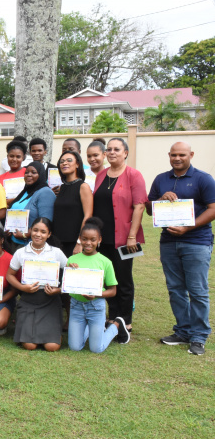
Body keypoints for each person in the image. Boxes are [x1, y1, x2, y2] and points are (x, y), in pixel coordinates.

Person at [147, 142, 215, 356]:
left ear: (191, 155)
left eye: (182, 155)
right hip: (168, 241)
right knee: (175, 289)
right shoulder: (161, 179)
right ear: (169, 155)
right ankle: (183, 331)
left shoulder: (203, 179)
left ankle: (198, 336)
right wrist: (160, 198)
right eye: (173, 154)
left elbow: (213, 209)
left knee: (197, 290)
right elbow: (149, 209)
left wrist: (188, 227)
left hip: (196, 241)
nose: (177, 158)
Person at [93, 137, 147, 342]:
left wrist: (132, 236)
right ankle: (112, 316)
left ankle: (125, 319)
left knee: (123, 278)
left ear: (125, 153)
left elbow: (139, 206)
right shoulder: (101, 175)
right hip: (103, 238)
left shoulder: (134, 175)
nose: (112, 152)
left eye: (117, 149)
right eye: (109, 149)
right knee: (108, 278)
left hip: (125, 239)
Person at [66, 217, 129, 353]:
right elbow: (68, 285)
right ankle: (90, 328)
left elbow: (112, 291)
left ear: (99, 240)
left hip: (96, 307)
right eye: (84, 239)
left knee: (97, 349)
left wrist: (95, 295)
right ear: (80, 239)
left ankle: (115, 325)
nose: (88, 243)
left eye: (93, 240)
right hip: (76, 307)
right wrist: (70, 270)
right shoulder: (72, 260)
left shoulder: (105, 262)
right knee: (75, 347)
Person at [6, 217, 67, 351]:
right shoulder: (21, 252)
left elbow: (70, 276)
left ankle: (49, 335)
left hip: (50, 301)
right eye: (35, 230)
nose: (38, 234)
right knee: (29, 345)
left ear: (49, 234)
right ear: (30, 231)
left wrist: (59, 290)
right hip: (29, 300)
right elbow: (9, 275)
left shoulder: (56, 253)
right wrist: (22, 288)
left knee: (52, 347)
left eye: (43, 232)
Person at [5, 162, 56, 250]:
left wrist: (25, 235)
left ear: (41, 175)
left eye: (33, 172)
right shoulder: (26, 191)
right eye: (27, 172)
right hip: (14, 242)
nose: (29, 175)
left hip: (30, 245)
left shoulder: (46, 193)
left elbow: (45, 221)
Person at [53, 151, 93, 257]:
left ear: (77, 164)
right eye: (62, 161)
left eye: (69, 160)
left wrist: (80, 242)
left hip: (74, 242)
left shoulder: (83, 187)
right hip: (57, 242)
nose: (64, 163)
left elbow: (88, 216)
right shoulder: (61, 188)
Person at [0, 139, 28, 205]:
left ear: (23, 158)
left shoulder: (28, 173)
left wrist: (9, 201)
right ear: (7, 157)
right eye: (11, 156)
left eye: (18, 157)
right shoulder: (0, 178)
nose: (14, 159)